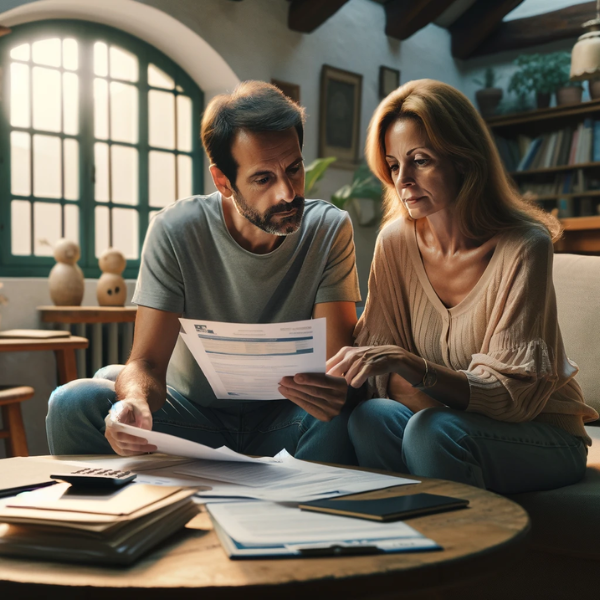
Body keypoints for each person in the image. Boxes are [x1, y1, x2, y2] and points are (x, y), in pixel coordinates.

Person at [46, 81, 360, 464]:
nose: (288, 193)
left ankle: (295, 519)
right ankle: (110, 518)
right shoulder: (176, 230)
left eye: (294, 169)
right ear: (223, 181)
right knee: (71, 402)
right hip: (193, 418)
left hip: (287, 422)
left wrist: (335, 389)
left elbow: (335, 365)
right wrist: (134, 401)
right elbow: (145, 364)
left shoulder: (329, 229)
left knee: (340, 417)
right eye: (263, 178)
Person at [326, 79, 599, 494]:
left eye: (420, 160)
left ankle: (465, 553)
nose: (404, 180)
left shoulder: (525, 245)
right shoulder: (395, 241)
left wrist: (413, 367)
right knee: (372, 417)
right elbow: (381, 376)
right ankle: (409, 542)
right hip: (442, 424)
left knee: (431, 432)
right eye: (394, 164)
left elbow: (511, 396)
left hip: (541, 434)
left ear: (463, 161)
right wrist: (427, 392)